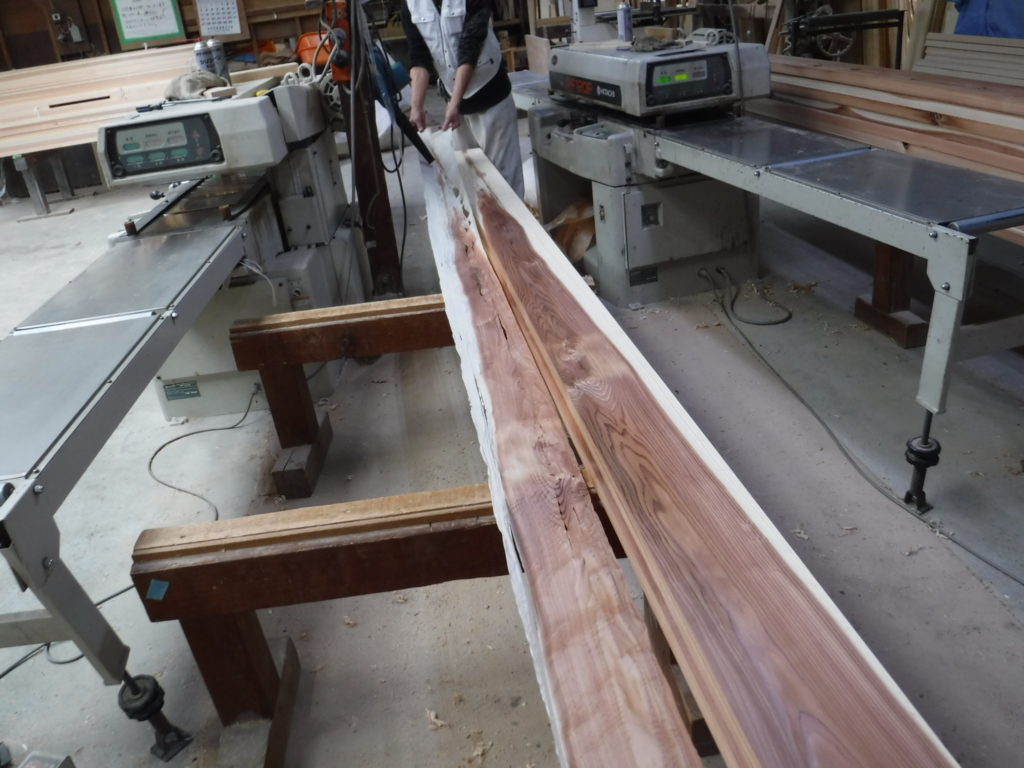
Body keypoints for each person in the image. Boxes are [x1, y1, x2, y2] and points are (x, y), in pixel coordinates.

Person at [401, 0, 525, 198]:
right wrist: (416, 106)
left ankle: (514, 218)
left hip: (490, 95)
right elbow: (419, 57)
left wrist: (455, 103)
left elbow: (470, 47)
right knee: (470, 179)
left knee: (504, 182)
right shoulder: (411, 3)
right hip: (455, 102)